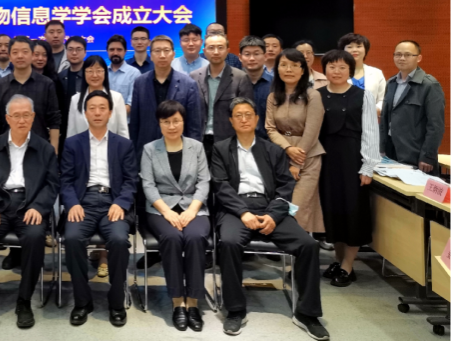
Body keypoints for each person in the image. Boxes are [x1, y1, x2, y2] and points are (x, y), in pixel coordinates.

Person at [212, 97, 328, 340]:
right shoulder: (221, 149)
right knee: (229, 243)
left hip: (269, 207)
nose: (244, 119)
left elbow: (285, 187)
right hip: (236, 209)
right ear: (231, 121)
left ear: (256, 119)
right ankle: (235, 310)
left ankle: (307, 313)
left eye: (248, 114)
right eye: (238, 115)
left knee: (308, 245)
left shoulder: (273, 150)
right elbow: (221, 186)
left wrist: (273, 216)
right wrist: (243, 213)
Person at [0, 95, 60, 330]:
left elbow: (52, 184)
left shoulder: (45, 148)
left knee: (35, 236)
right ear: (7, 118)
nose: (21, 120)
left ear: (33, 117)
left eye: (26, 115)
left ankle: (24, 300)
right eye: (16, 116)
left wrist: (38, 207)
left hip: (30, 204)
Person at [61, 91, 138, 327]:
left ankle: (116, 301)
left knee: (119, 240)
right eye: (92, 108)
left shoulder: (123, 144)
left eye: (102, 108)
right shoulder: (72, 143)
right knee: (72, 239)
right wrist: (72, 203)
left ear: (110, 112)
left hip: (112, 201)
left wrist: (121, 203)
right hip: (83, 201)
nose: (97, 112)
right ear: (85, 113)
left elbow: (131, 181)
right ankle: (82, 302)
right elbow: (65, 180)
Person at [140, 100, 210, 332]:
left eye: (176, 121)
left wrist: (191, 210)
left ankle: (193, 302)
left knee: (195, 237)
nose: (172, 126)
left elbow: (204, 182)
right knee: (171, 237)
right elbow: (148, 185)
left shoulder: (196, 147)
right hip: (161, 208)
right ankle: (177, 302)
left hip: (193, 206)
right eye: (166, 121)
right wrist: (167, 212)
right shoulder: (150, 149)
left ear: (183, 121)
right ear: (159, 124)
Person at [317, 51, 380, 288]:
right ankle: (338, 259)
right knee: (332, 211)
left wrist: (368, 166)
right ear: (324, 69)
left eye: (342, 67)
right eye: (332, 66)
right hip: (326, 160)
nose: (337, 71)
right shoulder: (317, 95)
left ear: (350, 71)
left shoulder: (363, 96)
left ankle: (348, 265)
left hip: (353, 159)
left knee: (353, 211)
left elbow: (371, 131)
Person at [266, 49, 326, 234]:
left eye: (294, 65)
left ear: (303, 70)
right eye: (283, 65)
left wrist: (296, 162)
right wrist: (287, 148)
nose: (288, 69)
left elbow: (312, 131)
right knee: (279, 206)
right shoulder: (273, 97)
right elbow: (270, 128)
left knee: (298, 208)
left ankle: (300, 249)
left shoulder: (312, 95)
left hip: (307, 157)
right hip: (280, 156)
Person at [130, 35, 203, 158]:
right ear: (151, 55)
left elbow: (194, 125)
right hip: (147, 150)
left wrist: (193, 155)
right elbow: (135, 123)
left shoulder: (188, 84)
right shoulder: (140, 83)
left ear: (173, 54)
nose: (162, 55)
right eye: (157, 51)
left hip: (179, 150)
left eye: (166, 50)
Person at [380, 40, 446, 175]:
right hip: (391, 150)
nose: (402, 58)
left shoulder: (429, 85)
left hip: (415, 153)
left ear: (419, 58)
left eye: (408, 55)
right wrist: (381, 147)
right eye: (398, 54)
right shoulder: (391, 83)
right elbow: (385, 119)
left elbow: (436, 125)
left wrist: (428, 156)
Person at [0, 36, 61, 153]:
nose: (20, 56)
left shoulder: (47, 84)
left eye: (25, 52)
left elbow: (54, 120)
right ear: (10, 56)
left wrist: (54, 151)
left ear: (32, 55)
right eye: (15, 52)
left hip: (40, 150)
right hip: (7, 150)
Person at [190, 33, 253, 163]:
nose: (216, 52)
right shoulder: (194, 77)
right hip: (199, 141)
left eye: (220, 47)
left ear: (228, 51)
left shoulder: (240, 77)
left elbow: (247, 115)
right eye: (211, 47)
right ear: (204, 51)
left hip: (229, 141)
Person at [67, 55, 129, 139]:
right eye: (90, 71)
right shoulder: (75, 99)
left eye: (99, 71)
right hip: (82, 147)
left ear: (105, 73)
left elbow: (123, 132)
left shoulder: (117, 98)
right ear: (84, 73)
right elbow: (71, 133)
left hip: (111, 146)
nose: (95, 75)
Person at [337, 33, 387, 116]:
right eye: (349, 47)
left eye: (358, 46)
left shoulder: (376, 73)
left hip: (371, 117)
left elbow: (383, 98)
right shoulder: (336, 73)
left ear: (365, 49)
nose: (354, 50)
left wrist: (376, 109)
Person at [239, 36, 273, 140]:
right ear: (240, 57)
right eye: (247, 54)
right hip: (239, 140)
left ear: (265, 56)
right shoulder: (232, 83)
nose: (252, 58)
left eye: (256, 54)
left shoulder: (275, 84)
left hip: (270, 141)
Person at [106, 34, 140, 114]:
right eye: (112, 49)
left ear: (125, 51)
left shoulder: (134, 73)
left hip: (125, 121)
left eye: (119, 50)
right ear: (107, 51)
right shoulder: (102, 72)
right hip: (103, 120)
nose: (115, 53)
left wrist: (109, 114)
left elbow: (131, 105)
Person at [59, 35, 87, 105]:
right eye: (70, 49)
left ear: (85, 52)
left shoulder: (90, 74)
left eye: (78, 49)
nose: (74, 53)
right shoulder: (60, 76)